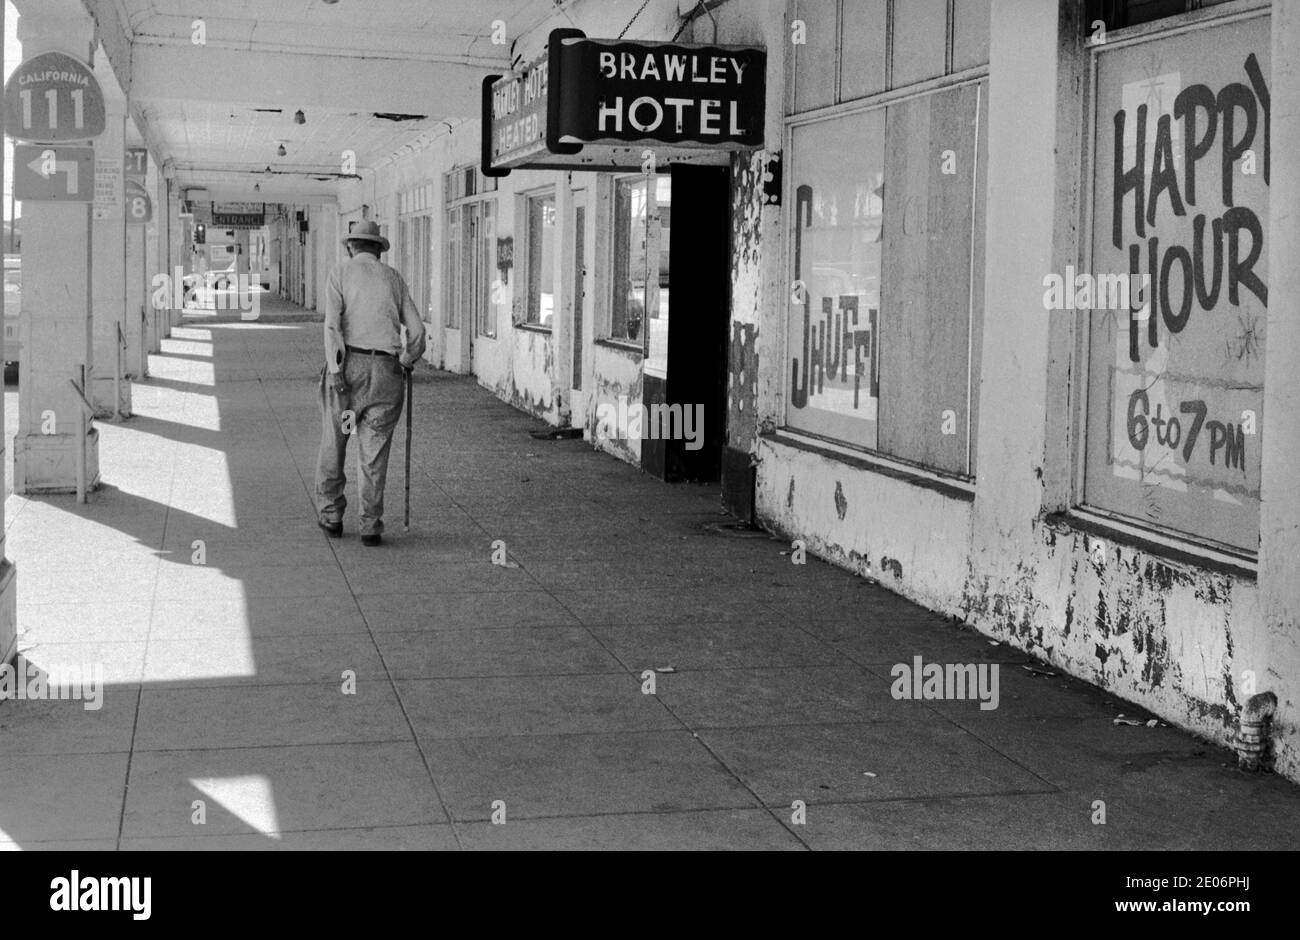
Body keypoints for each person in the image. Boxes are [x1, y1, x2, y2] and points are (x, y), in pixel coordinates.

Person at [314, 220, 426, 546]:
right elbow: (417, 332)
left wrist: (336, 372)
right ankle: (370, 525)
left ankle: (332, 517)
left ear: (352, 246)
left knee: (334, 443)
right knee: (373, 453)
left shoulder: (340, 273)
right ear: (378, 248)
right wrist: (405, 361)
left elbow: (332, 327)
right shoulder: (394, 278)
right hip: (387, 373)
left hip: (348, 367)